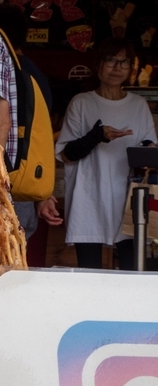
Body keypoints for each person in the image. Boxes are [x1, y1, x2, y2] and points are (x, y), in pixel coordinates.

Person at [55, 37, 157, 270]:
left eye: (124, 62)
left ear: (131, 68)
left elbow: (149, 150)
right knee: (89, 270)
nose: (117, 68)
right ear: (98, 64)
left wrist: (149, 148)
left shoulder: (138, 105)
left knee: (133, 271)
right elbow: (66, 154)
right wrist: (97, 136)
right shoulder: (81, 103)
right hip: (88, 197)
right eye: (111, 60)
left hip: (130, 199)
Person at [0, 3, 63, 239]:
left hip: (2, 187)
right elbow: (36, 138)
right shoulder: (35, 75)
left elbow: (1, 117)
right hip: (22, 191)